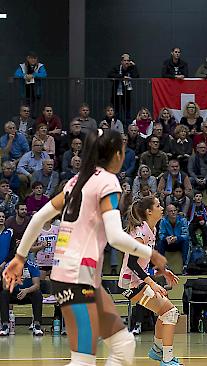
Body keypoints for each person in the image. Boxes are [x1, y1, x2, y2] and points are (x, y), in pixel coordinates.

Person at [2, 129, 168, 366]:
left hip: (76, 274)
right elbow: (115, 237)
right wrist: (150, 253)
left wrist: (19, 257)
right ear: (116, 154)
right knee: (84, 359)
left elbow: (38, 217)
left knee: (123, 345)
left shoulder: (75, 181)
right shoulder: (108, 182)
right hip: (76, 274)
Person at [118, 196, 181, 366]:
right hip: (131, 283)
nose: (163, 208)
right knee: (170, 313)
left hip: (136, 281)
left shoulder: (150, 229)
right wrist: (151, 283)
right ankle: (165, 358)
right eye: (159, 205)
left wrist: (162, 271)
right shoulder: (141, 232)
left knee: (166, 312)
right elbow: (131, 263)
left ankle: (158, 350)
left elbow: (142, 262)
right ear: (149, 212)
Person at [0, 259, 44, 336]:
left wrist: (27, 290)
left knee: (38, 294)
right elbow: (4, 287)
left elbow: (37, 285)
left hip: (28, 293)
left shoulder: (32, 266)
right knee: (3, 294)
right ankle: (5, 325)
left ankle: (37, 325)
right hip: (13, 293)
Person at [158, 204, 191, 273]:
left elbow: (186, 234)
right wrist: (166, 238)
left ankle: (185, 265)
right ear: (167, 212)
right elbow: (161, 234)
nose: (173, 212)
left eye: (175, 210)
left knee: (186, 241)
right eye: (171, 211)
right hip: (168, 243)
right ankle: (162, 265)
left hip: (179, 243)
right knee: (160, 242)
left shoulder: (183, 220)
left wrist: (177, 238)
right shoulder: (163, 221)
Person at [108, 54, 139, 122]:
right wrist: (122, 77)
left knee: (127, 112)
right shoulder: (116, 68)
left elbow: (136, 76)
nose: (126, 62)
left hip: (126, 94)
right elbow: (110, 75)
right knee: (116, 112)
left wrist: (134, 66)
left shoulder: (131, 68)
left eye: (128, 60)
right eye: (125, 60)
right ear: (121, 61)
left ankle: (127, 127)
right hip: (116, 94)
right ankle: (117, 128)